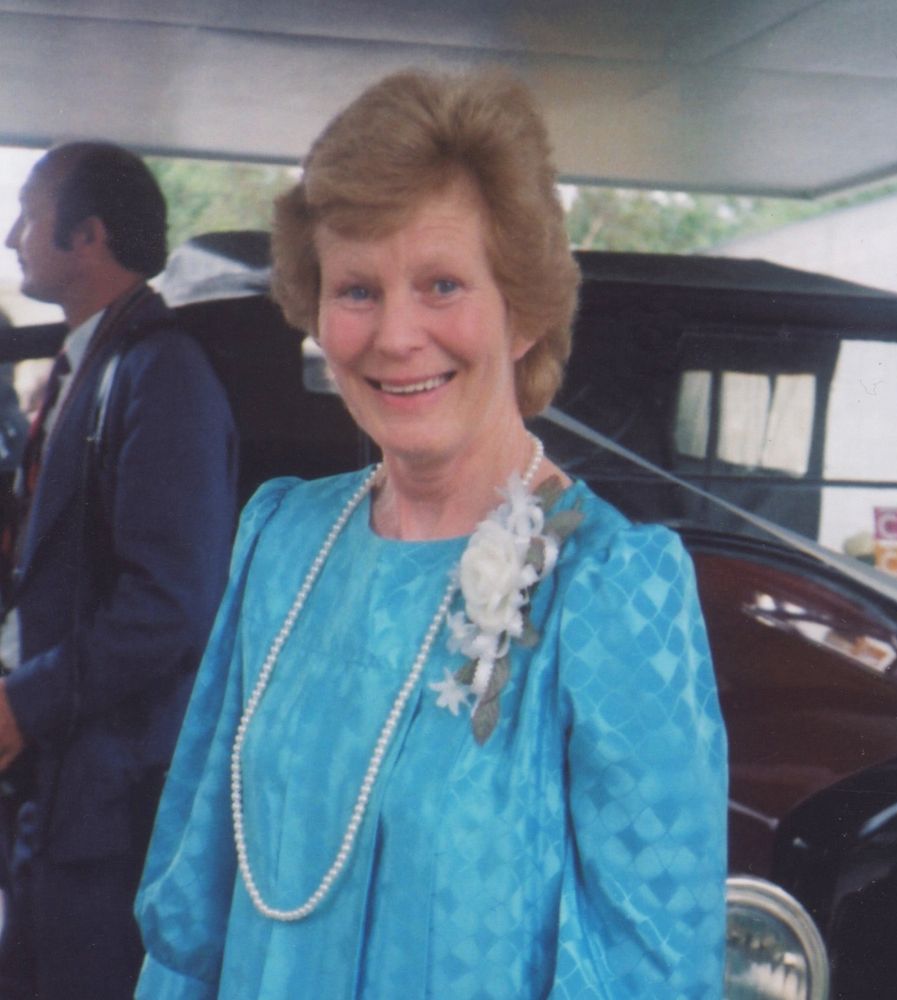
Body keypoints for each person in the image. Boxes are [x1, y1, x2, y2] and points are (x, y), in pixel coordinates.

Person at [136, 68, 728, 998]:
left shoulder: (613, 585)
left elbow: (652, 980)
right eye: (357, 290)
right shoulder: (282, 539)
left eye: (442, 284)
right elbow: (193, 915)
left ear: (523, 310)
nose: (396, 335)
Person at [0, 142, 238, 1000]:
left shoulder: (160, 372)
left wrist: (23, 704)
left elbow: (169, 605)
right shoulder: (91, 365)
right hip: (56, 790)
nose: (13, 236)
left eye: (29, 214)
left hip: (111, 803)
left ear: (89, 235)